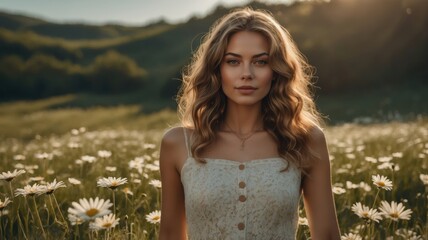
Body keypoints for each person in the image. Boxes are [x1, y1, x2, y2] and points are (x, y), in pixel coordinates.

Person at [159, 7, 341, 240]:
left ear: (276, 71)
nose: (246, 74)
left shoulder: (306, 140)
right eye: (233, 61)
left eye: (261, 62)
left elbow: (326, 235)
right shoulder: (177, 144)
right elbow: (170, 235)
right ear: (217, 68)